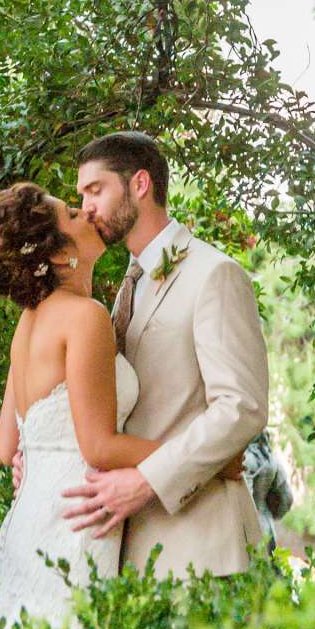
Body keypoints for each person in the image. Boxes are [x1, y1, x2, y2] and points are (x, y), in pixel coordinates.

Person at [60, 130, 269, 582]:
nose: (87, 206)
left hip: (206, 547)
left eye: (95, 190)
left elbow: (242, 407)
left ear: (139, 184)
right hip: (133, 551)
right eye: (81, 195)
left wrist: (148, 480)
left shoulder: (215, 274)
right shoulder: (125, 289)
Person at [0, 179, 150, 629]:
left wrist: (38, 460)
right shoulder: (83, 316)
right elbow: (100, 447)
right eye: (71, 213)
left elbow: (7, 446)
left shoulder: (28, 323)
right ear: (53, 255)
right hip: (75, 520)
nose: (86, 213)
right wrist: (199, 452)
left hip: (32, 521)